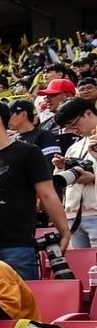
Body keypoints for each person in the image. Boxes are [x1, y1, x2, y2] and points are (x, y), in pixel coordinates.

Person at [0, 99, 69, 279]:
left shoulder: (28, 152)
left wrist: (64, 231)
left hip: (17, 247)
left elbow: (47, 194)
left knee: (23, 304)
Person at [52, 97, 97, 247]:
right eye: (69, 128)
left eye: (74, 124)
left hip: (95, 212)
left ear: (89, 113)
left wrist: (93, 178)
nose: (74, 130)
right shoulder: (74, 147)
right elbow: (62, 183)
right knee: (82, 267)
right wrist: (60, 167)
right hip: (74, 215)